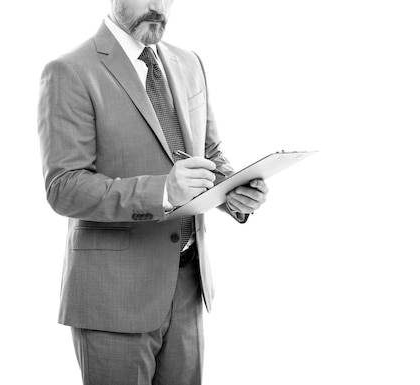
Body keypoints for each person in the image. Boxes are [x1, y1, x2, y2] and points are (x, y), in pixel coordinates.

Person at [37, 0, 269, 383]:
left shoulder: (189, 62)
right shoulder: (70, 71)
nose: (158, 7)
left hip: (188, 287)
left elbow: (208, 153)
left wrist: (235, 191)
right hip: (114, 296)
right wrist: (163, 191)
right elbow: (64, 187)